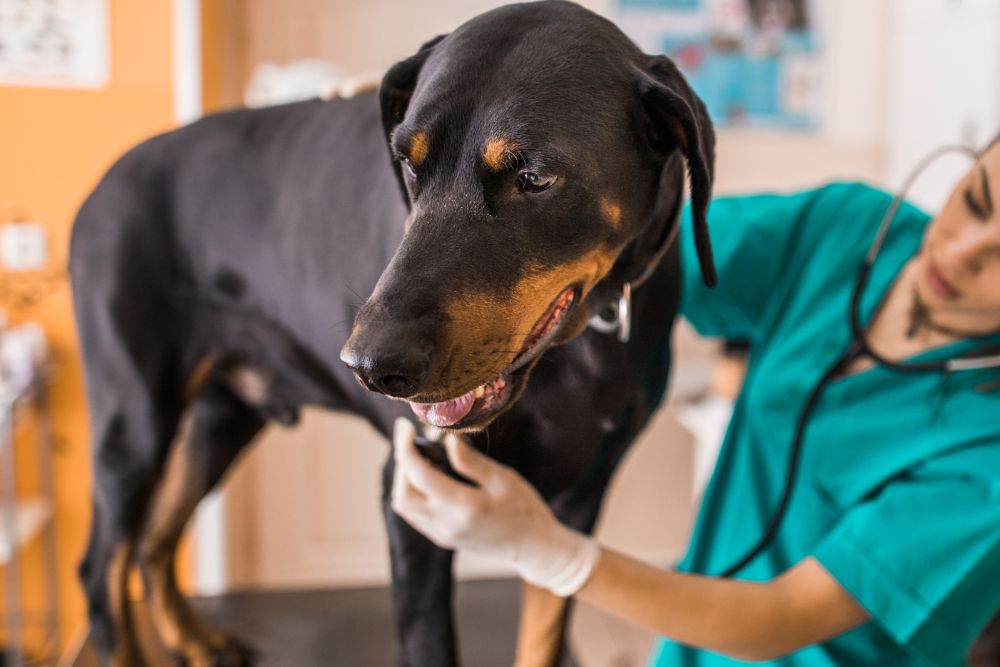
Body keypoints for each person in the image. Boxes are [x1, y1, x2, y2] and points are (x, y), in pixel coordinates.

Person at [391, 132, 1000, 666]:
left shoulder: (988, 452)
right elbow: (641, 250)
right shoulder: (855, 229)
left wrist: (550, 553)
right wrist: (453, 131)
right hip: (685, 646)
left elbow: (783, 618)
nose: (962, 251)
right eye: (975, 201)